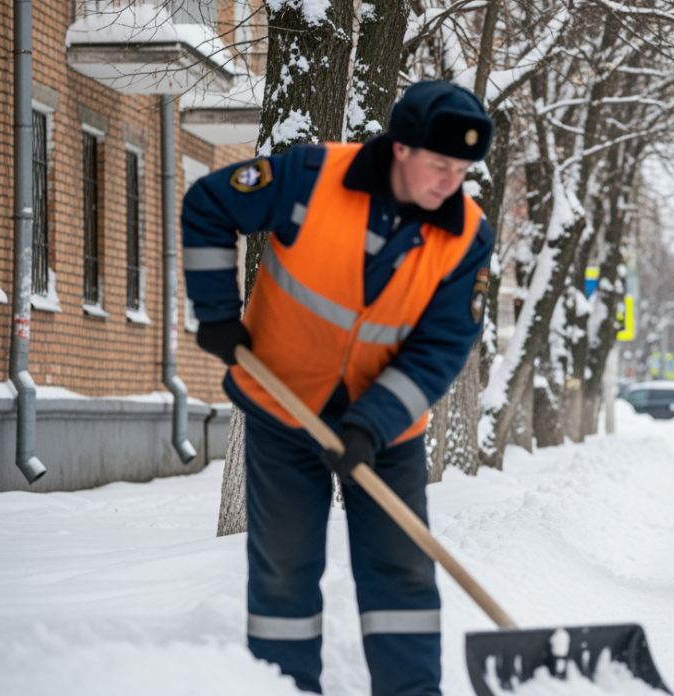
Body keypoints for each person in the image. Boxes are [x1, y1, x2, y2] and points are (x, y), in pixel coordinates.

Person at [182, 81, 495, 695]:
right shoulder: (310, 177)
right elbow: (209, 204)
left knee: (401, 574)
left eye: (461, 170)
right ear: (401, 148)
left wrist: (369, 424)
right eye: (439, 165)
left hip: (388, 431)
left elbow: (442, 348)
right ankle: (285, 687)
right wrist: (217, 312)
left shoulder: (466, 236)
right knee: (283, 573)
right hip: (282, 409)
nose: (449, 183)